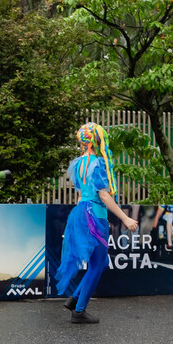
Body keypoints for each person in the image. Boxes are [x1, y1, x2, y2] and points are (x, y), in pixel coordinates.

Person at [55, 122, 138, 324]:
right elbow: (104, 195)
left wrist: (81, 219)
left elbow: (81, 195)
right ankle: (79, 311)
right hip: (94, 215)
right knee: (98, 264)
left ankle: (75, 299)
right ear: (97, 141)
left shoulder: (78, 164)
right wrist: (125, 218)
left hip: (82, 212)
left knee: (100, 263)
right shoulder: (98, 163)